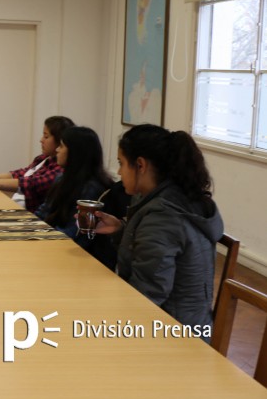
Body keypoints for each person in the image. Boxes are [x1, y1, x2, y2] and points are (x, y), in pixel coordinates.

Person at [94, 124, 224, 334]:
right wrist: (120, 229)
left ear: (140, 165)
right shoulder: (172, 198)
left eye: (121, 163)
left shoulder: (163, 217)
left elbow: (146, 297)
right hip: (186, 321)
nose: (118, 171)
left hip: (176, 335)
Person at [0, 116, 74, 213]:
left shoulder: (60, 170)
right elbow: (18, 174)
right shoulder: (43, 159)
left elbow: (30, 183)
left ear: (60, 140)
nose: (41, 140)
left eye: (46, 136)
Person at [33, 126, 112, 238]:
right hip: (52, 238)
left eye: (61, 146)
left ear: (75, 152)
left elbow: (75, 233)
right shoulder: (62, 178)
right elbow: (43, 213)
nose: (57, 150)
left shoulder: (92, 188)